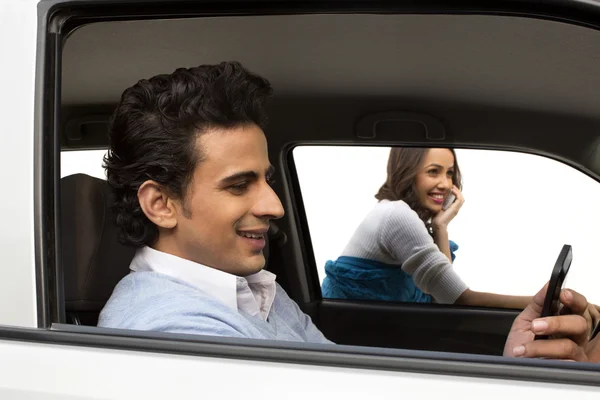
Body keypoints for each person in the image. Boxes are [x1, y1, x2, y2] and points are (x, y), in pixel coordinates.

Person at [97, 61, 597, 362]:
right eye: (238, 185)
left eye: (267, 179)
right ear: (160, 204)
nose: (273, 206)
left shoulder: (250, 290)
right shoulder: (170, 333)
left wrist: (515, 363)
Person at [322, 147, 535, 309]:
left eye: (449, 173)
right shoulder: (397, 215)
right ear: (407, 173)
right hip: (347, 339)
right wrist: (540, 304)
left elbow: (441, 301)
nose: (445, 183)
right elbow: (457, 299)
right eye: (433, 172)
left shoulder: (399, 214)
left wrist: (440, 227)